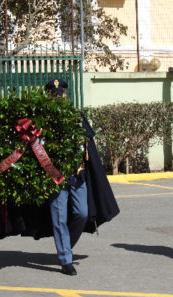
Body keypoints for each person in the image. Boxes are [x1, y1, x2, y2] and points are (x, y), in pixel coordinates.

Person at [44, 78, 120, 275]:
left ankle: (66, 246)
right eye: (55, 95)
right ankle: (65, 259)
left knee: (82, 213)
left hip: (77, 174)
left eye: (61, 95)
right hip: (55, 176)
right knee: (59, 218)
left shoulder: (77, 117)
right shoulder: (43, 119)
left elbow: (87, 147)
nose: (59, 98)